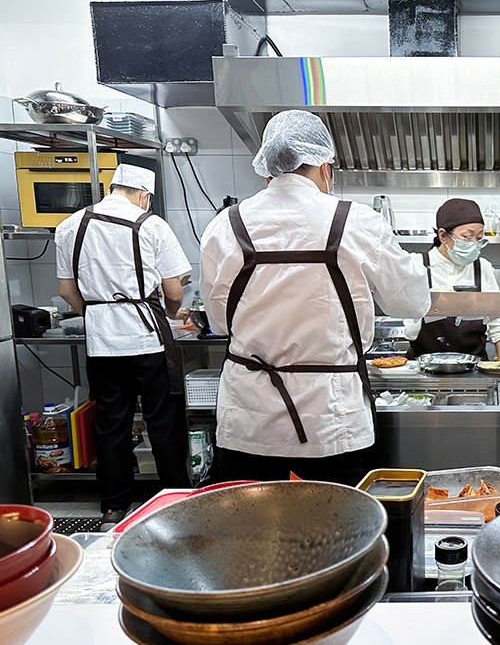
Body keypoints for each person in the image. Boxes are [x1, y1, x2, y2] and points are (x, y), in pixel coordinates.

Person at [199, 110, 431, 485]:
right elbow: (412, 302)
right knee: (339, 535)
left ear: (266, 170)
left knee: (249, 535)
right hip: (332, 418)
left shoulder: (226, 224)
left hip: (249, 417)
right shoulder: (354, 220)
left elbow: (219, 321)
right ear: (325, 166)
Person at [55, 164, 192, 530]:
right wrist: (174, 312)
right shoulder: (151, 225)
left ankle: (114, 508)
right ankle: (175, 499)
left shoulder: (71, 226)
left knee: (111, 424)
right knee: (163, 421)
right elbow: (174, 292)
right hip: (147, 340)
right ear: (144, 195)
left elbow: (67, 291)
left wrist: (100, 314)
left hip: (101, 343)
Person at [404, 198, 500, 361]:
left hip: (474, 370)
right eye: (467, 237)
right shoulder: (417, 266)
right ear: (443, 236)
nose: (474, 244)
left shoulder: (482, 267)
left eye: (479, 238)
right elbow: (407, 325)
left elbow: (497, 318)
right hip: (424, 370)